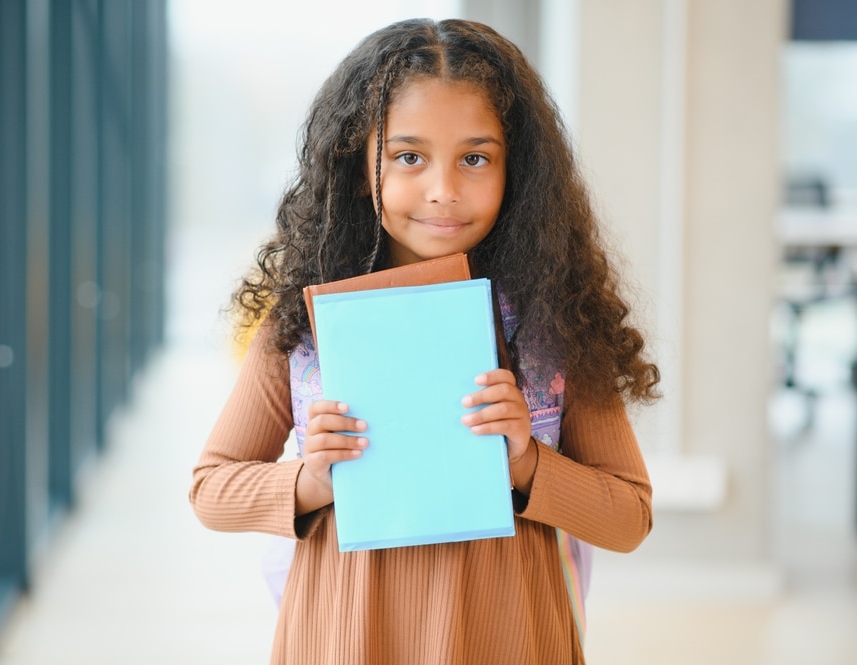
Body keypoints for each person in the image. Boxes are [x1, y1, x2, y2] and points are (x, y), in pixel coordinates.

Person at [191, 17, 659, 665]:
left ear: (514, 170)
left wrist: (525, 464)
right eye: (409, 157)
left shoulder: (557, 320)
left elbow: (629, 514)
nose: (444, 189)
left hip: (511, 636)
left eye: (475, 158)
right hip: (343, 638)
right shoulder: (304, 325)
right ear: (359, 165)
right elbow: (211, 487)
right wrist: (311, 479)